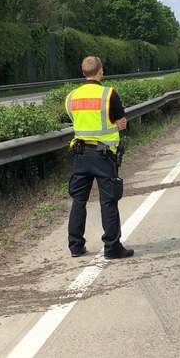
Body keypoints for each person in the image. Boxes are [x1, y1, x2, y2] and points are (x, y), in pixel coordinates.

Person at [65, 56, 134, 259]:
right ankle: (112, 248)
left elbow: (76, 120)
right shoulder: (108, 94)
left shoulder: (71, 96)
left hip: (80, 155)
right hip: (104, 156)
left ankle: (75, 246)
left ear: (83, 72)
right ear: (100, 71)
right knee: (108, 201)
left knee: (78, 200)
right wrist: (115, 126)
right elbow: (121, 122)